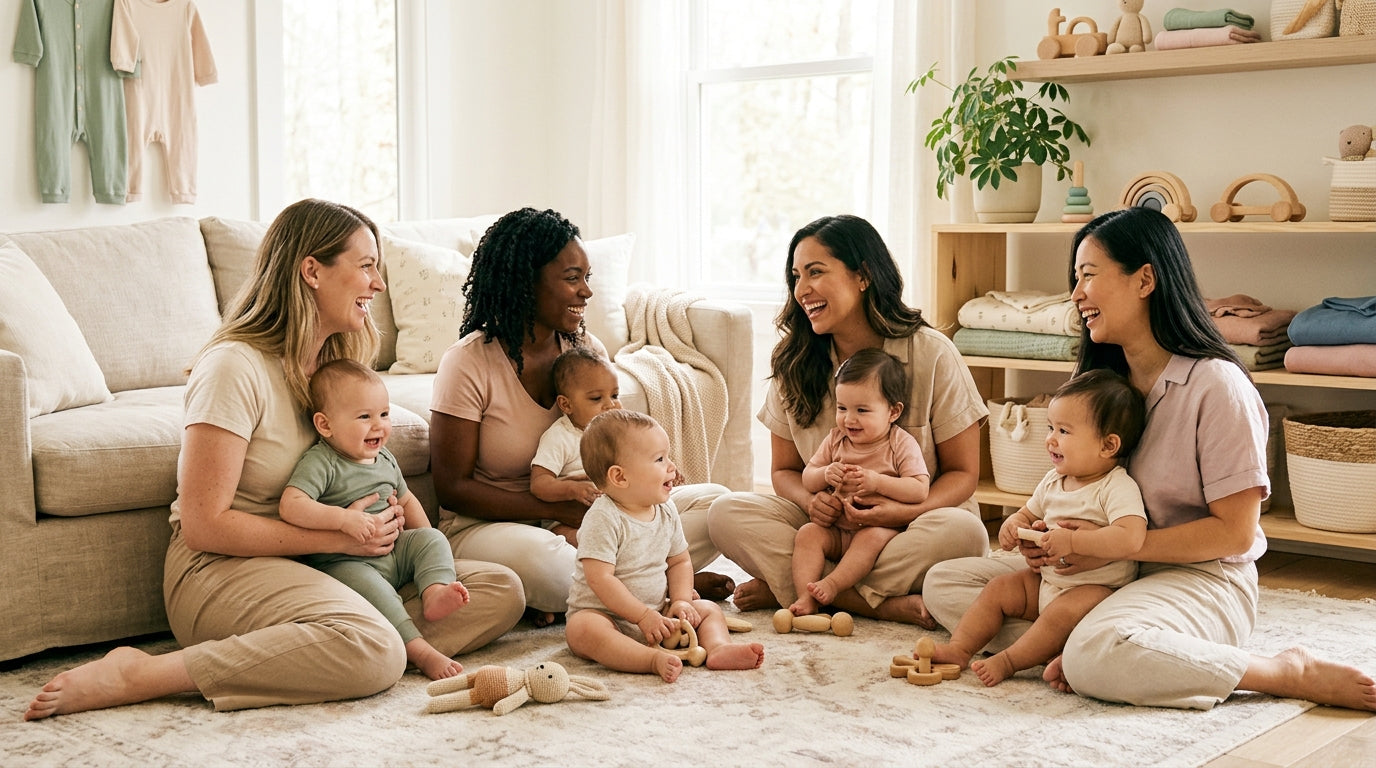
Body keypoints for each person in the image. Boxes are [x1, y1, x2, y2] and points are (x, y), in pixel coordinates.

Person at [24, 198, 524, 721]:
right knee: (373, 652)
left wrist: (376, 541)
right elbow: (202, 525)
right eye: (366, 266)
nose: (379, 285)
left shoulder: (336, 367)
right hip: (223, 568)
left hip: (332, 564)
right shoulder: (234, 367)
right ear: (311, 270)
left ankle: (365, 638)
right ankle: (143, 673)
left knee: (500, 589)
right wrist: (340, 535)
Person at [923, 206, 1376, 711]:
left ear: (1145, 280)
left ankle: (1278, 672)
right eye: (1075, 279)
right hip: (1095, 579)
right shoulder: (1103, 387)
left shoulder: (1216, 387)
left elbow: (1234, 534)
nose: (1076, 296)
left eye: (1088, 276)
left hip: (1201, 578)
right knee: (948, 583)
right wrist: (1042, 540)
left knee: (1096, 654)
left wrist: (1107, 549)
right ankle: (1083, 645)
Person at [429, 207, 731, 629]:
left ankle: (638, 584)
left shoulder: (584, 350)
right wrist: (562, 511)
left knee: (714, 503)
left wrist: (652, 477)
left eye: (587, 278)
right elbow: (452, 488)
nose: (586, 292)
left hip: (598, 519)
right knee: (554, 566)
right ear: (526, 282)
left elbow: (619, 443)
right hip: (492, 525)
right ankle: (661, 585)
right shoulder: (467, 362)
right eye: (572, 278)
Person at [708, 214, 991, 628]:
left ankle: (802, 587)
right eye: (796, 276)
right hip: (825, 529)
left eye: (816, 272)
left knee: (966, 533)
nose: (802, 290)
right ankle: (873, 602)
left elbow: (964, 474)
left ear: (863, 276)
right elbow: (784, 471)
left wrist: (894, 513)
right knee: (725, 512)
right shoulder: (794, 362)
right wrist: (812, 503)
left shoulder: (932, 353)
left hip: (908, 527)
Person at [929, 369, 1147, 687]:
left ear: (1108, 445)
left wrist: (1073, 541)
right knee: (998, 589)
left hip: (1095, 591)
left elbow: (1131, 537)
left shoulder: (1115, 486)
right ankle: (960, 649)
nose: (1050, 439)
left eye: (1064, 431)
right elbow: (1026, 513)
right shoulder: (1053, 480)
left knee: (1058, 617)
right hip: (1047, 580)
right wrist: (1013, 526)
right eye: (1050, 427)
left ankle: (1010, 660)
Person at [280, 359, 472, 681]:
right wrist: (342, 520)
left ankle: (434, 592)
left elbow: (407, 500)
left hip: (394, 552)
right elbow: (292, 505)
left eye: (384, 414)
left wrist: (429, 549)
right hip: (345, 564)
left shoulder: (384, 458)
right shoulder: (322, 461)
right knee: (375, 592)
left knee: (433, 539)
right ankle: (419, 649)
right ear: (325, 425)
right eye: (364, 417)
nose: (379, 425)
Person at [565, 410, 765, 682]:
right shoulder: (603, 518)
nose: (672, 466)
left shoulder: (666, 510)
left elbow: (679, 561)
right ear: (620, 477)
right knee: (583, 630)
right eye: (660, 459)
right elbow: (600, 580)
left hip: (659, 612)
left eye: (668, 457)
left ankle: (718, 648)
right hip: (608, 616)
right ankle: (649, 659)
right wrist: (642, 616)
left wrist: (681, 600)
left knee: (706, 609)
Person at [790, 348, 930, 617]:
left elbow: (919, 489)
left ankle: (833, 585)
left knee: (871, 537)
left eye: (862, 410)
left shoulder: (899, 443)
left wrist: (877, 483)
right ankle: (805, 596)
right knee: (807, 533)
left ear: (893, 412)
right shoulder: (835, 439)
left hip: (878, 530)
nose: (849, 419)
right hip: (837, 530)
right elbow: (808, 477)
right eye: (842, 408)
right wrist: (825, 473)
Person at [529, 347, 623, 537]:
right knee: (582, 542)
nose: (611, 405)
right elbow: (539, 484)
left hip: (615, 514)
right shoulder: (560, 436)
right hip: (569, 521)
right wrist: (572, 490)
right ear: (566, 405)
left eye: (614, 395)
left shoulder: (619, 430)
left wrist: (664, 467)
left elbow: (642, 456)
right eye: (596, 398)